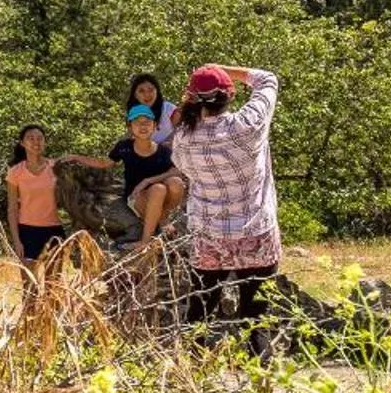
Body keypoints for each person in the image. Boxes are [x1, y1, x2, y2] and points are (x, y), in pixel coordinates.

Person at [165, 63, 281, 334]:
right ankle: (259, 371)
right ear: (230, 95)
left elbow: (181, 166)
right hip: (256, 232)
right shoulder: (248, 125)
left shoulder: (183, 139)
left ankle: (192, 367)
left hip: (209, 236)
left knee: (200, 305)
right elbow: (267, 79)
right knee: (258, 313)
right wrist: (224, 68)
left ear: (192, 98)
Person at [65, 104, 187, 245]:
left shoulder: (163, 151)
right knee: (158, 189)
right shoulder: (125, 147)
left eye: (147, 122)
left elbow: (177, 170)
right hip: (137, 199)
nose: (142, 126)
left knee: (175, 183)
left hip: (159, 199)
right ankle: (146, 241)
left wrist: (147, 181)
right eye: (137, 123)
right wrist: (76, 157)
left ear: (155, 126)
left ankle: (162, 217)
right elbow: (104, 163)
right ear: (130, 128)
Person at [4, 125, 70, 268]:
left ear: (45, 142)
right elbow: (12, 209)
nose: (36, 142)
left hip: (54, 230)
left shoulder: (56, 168)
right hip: (27, 231)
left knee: (53, 285)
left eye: (40, 138)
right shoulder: (15, 172)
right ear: (22, 143)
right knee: (30, 287)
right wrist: (16, 241)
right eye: (31, 138)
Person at [125, 74, 178, 144]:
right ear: (135, 95)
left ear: (157, 91)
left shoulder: (169, 109)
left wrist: (167, 144)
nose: (147, 94)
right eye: (141, 91)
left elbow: (184, 131)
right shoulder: (132, 116)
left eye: (151, 90)